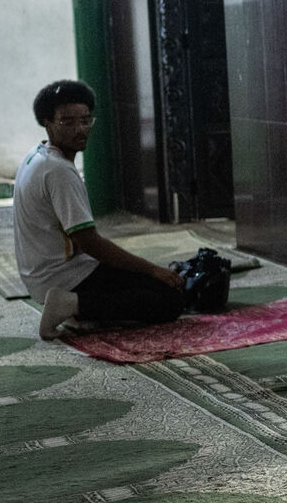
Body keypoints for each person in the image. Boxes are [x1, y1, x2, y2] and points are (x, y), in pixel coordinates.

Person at [14, 80, 185, 340]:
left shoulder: (37, 155)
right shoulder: (58, 171)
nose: (80, 129)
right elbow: (89, 242)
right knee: (169, 299)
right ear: (47, 123)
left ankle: (80, 309)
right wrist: (152, 269)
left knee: (140, 281)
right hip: (62, 276)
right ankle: (71, 305)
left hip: (42, 274)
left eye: (85, 121)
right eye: (67, 122)